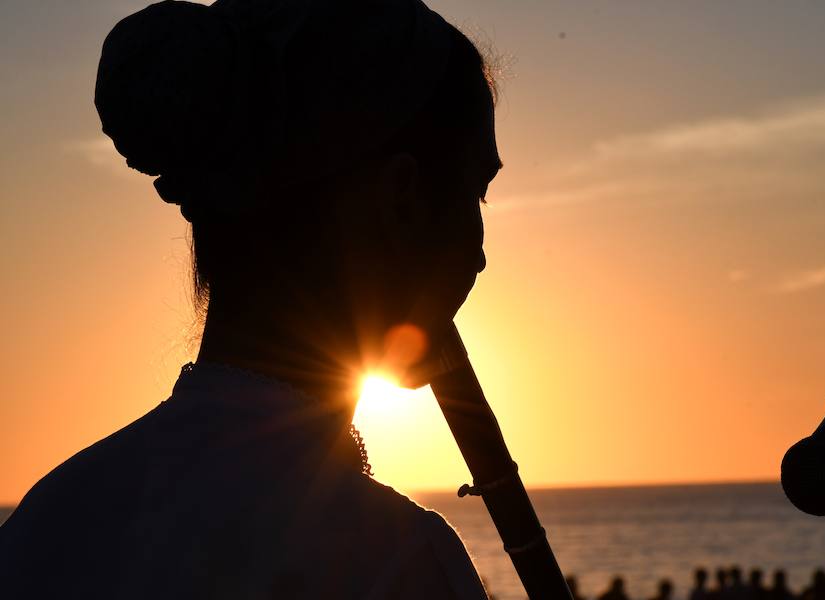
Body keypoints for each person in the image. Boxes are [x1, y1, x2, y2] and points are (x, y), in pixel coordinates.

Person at [0, 0, 502, 598]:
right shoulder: (398, 563)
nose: (478, 257)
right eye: (478, 191)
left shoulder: (44, 523)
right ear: (400, 199)